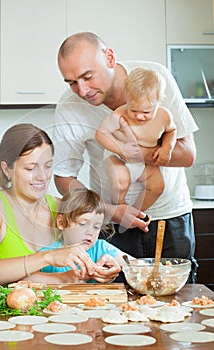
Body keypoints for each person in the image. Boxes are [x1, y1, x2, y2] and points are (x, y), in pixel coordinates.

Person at [53, 32, 198, 282]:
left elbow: (186, 155)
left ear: (109, 57)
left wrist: (132, 153)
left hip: (170, 217)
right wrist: (111, 211)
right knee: (113, 308)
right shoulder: (69, 106)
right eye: (72, 82)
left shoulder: (155, 79)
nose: (82, 90)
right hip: (109, 225)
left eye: (88, 77)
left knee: (177, 304)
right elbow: (64, 177)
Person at [0, 123, 121, 286]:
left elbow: (93, 252)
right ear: (7, 169)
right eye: (31, 168)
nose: (42, 177)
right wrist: (49, 258)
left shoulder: (61, 207)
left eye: (48, 166)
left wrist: (107, 269)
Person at [95, 67, 177, 211]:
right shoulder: (119, 114)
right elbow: (101, 134)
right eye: (133, 110)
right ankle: (120, 206)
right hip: (117, 157)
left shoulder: (164, 116)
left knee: (158, 186)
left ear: (160, 101)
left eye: (146, 112)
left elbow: (171, 131)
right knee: (121, 181)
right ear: (127, 98)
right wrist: (121, 148)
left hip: (143, 163)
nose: (139, 116)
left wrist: (166, 148)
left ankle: (135, 212)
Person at [40, 188, 134, 282]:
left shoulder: (101, 248)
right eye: (83, 224)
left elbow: (138, 265)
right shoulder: (48, 254)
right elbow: (28, 279)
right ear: (61, 222)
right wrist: (61, 277)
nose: (90, 232)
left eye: (96, 227)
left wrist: (117, 267)